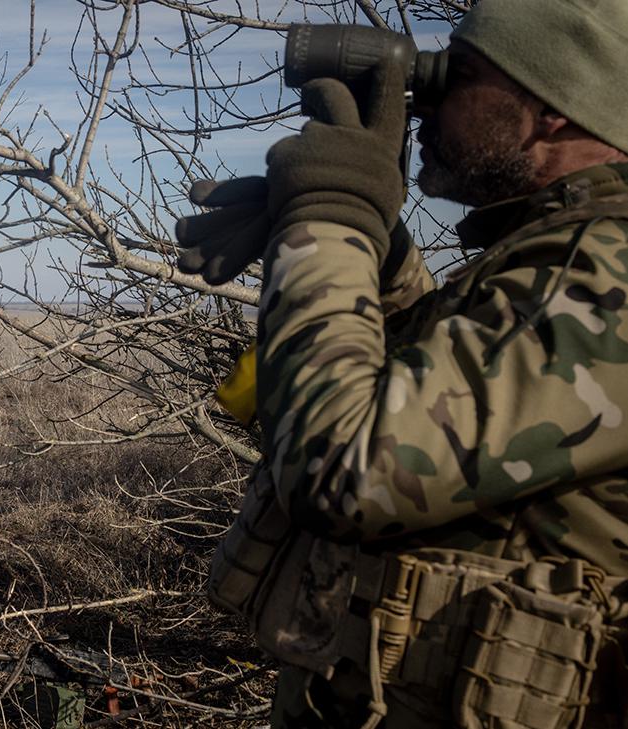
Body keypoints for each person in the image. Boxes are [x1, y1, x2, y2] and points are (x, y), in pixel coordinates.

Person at [184, 1, 628, 727]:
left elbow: (349, 465)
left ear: (552, 107)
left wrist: (329, 213)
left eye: (461, 75)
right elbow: (444, 405)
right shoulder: (559, 259)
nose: (424, 101)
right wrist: (376, 251)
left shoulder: (606, 272)